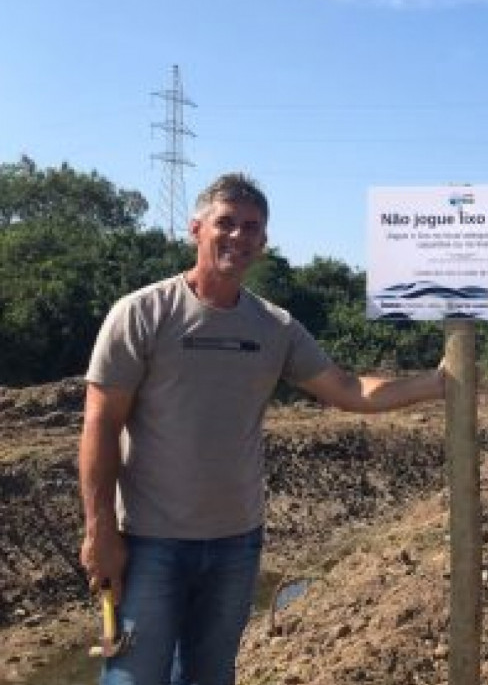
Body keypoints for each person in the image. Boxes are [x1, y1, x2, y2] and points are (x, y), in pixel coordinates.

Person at [78, 172, 445, 685]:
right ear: (196, 229)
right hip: (149, 541)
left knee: (210, 675)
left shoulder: (274, 327)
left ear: (263, 241)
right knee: (132, 676)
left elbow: (348, 389)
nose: (238, 236)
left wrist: (439, 382)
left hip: (235, 543)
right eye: (225, 223)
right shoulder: (142, 314)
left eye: (251, 227)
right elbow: (100, 424)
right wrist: (99, 531)